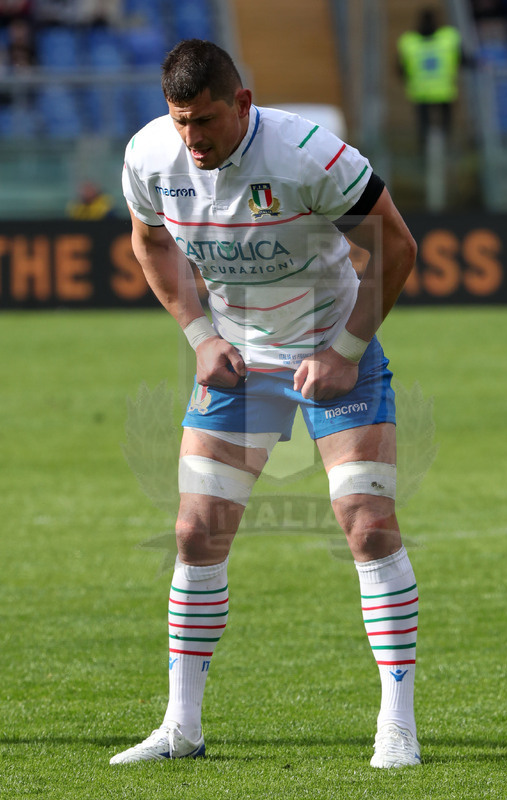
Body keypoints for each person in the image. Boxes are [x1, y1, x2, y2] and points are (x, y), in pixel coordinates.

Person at [111, 39, 420, 770]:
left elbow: (397, 247)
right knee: (194, 534)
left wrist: (343, 353)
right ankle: (180, 727)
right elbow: (148, 242)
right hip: (238, 362)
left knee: (367, 526)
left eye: (206, 120)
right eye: (181, 120)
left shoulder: (308, 155)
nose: (194, 138)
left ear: (242, 104)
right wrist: (198, 337)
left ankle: (396, 725)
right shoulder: (150, 156)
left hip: (332, 348)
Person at [397, 8, 463, 149]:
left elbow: (400, 69)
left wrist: (408, 80)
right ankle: (446, 147)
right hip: (444, 89)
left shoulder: (409, 42)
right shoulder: (448, 38)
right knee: (445, 124)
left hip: (420, 91)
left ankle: (424, 149)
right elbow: (461, 59)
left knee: (424, 127)